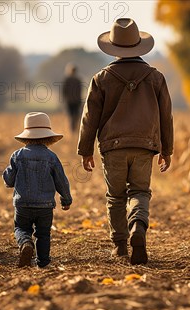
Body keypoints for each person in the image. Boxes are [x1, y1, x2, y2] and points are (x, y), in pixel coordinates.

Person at [77, 18, 173, 265]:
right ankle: (138, 228)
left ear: (113, 47)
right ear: (139, 45)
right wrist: (167, 149)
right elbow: (166, 115)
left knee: (116, 196)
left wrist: (85, 150)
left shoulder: (101, 78)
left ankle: (120, 246)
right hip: (144, 146)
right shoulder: (156, 77)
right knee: (140, 191)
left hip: (113, 147)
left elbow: (90, 117)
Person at [3, 112, 73, 268]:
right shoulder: (51, 157)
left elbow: (9, 179)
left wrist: (8, 179)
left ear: (26, 136)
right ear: (48, 137)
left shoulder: (17, 156)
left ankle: (25, 243)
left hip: (23, 204)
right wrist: (66, 199)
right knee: (43, 234)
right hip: (45, 206)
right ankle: (43, 262)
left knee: (21, 228)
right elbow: (61, 180)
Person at [62, 63, 83, 133]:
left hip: (70, 101)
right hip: (76, 101)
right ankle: (74, 129)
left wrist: (65, 98)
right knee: (75, 116)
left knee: (72, 116)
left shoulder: (67, 80)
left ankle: (72, 130)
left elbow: (64, 91)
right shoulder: (78, 80)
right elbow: (80, 91)